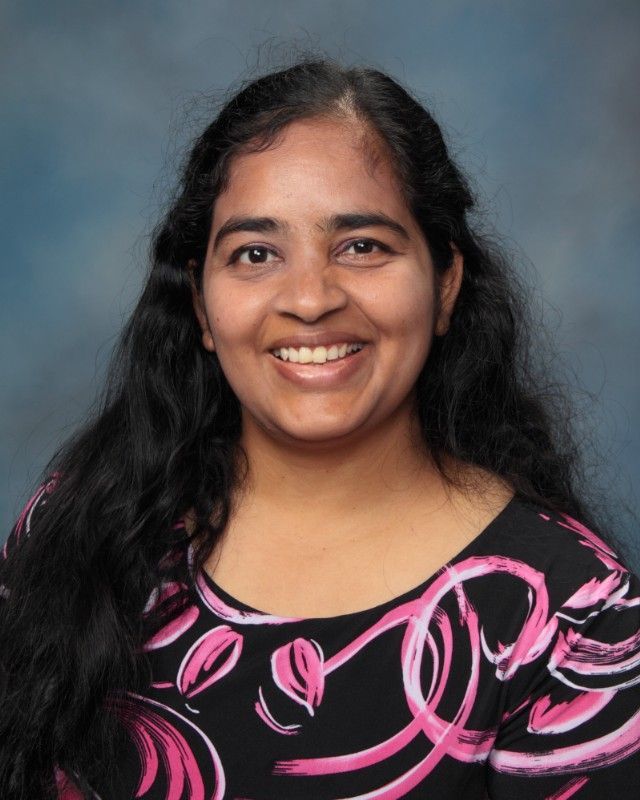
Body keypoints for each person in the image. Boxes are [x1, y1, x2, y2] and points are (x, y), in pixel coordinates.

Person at [1, 58, 639, 800]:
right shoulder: (78, 529)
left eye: (362, 246)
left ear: (445, 285)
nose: (309, 299)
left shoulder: (570, 620)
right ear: (201, 306)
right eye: (256, 254)